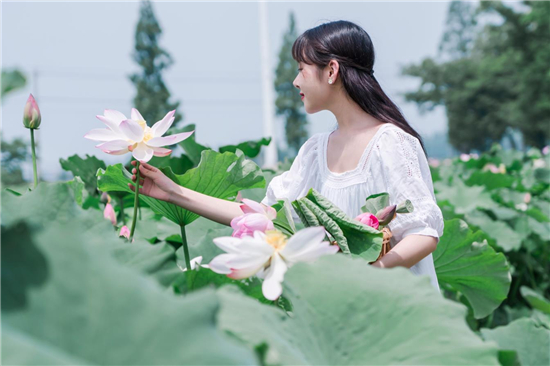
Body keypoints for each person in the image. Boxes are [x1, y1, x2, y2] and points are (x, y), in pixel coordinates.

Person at [130, 20, 444, 293]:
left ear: (331, 70)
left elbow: (424, 233)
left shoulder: (391, 142)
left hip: (393, 307)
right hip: (337, 306)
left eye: (301, 70)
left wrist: (365, 274)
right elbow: (267, 217)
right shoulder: (313, 152)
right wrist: (172, 192)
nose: (296, 82)